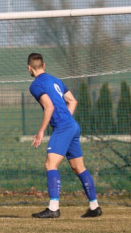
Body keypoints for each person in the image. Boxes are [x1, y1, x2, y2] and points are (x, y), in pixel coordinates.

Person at [27, 53, 101, 219]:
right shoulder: (55, 80)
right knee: (78, 167)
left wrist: (41, 131)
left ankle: (53, 208)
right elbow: (73, 101)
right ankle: (94, 206)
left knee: (50, 165)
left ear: (29, 68)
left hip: (63, 127)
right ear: (44, 65)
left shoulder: (36, 85)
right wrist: (66, 121)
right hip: (72, 126)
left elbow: (49, 107)